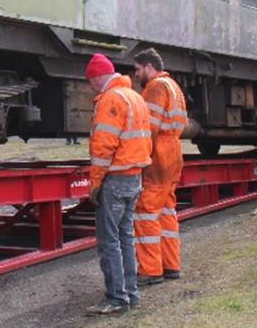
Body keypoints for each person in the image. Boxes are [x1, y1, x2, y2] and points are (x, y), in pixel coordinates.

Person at [85, 53, 152, 316]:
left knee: (109, 241)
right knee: (125, 237)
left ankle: (116, 298)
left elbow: (103, 146)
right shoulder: (135, 96)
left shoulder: (111, 99)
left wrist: (95, 183)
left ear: (99, 76)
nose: (90, 86)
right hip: (135, 176)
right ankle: (130, 294)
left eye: (91, 81)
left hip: (115, 178)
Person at [132, 48, 188, 285]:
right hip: (174, 150)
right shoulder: (174, 86)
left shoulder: (154, 87)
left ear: (148, 67)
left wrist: (138, 156)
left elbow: (148, 127)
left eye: (137, 69)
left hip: (158, 152)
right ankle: (171, 265)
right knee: (166, 209)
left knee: (146, 211)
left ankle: (150, 270)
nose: (136, 74)